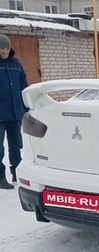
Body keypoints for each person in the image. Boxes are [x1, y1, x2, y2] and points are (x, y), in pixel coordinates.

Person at [0, 33, 28, 190]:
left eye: (6, 48)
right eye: (1, 48)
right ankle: (0, 177)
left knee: (16, 145)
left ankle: (17, 172)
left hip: (15, 112)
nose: (4, 51)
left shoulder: (16, 64)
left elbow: (24, 85)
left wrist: (26, 105)